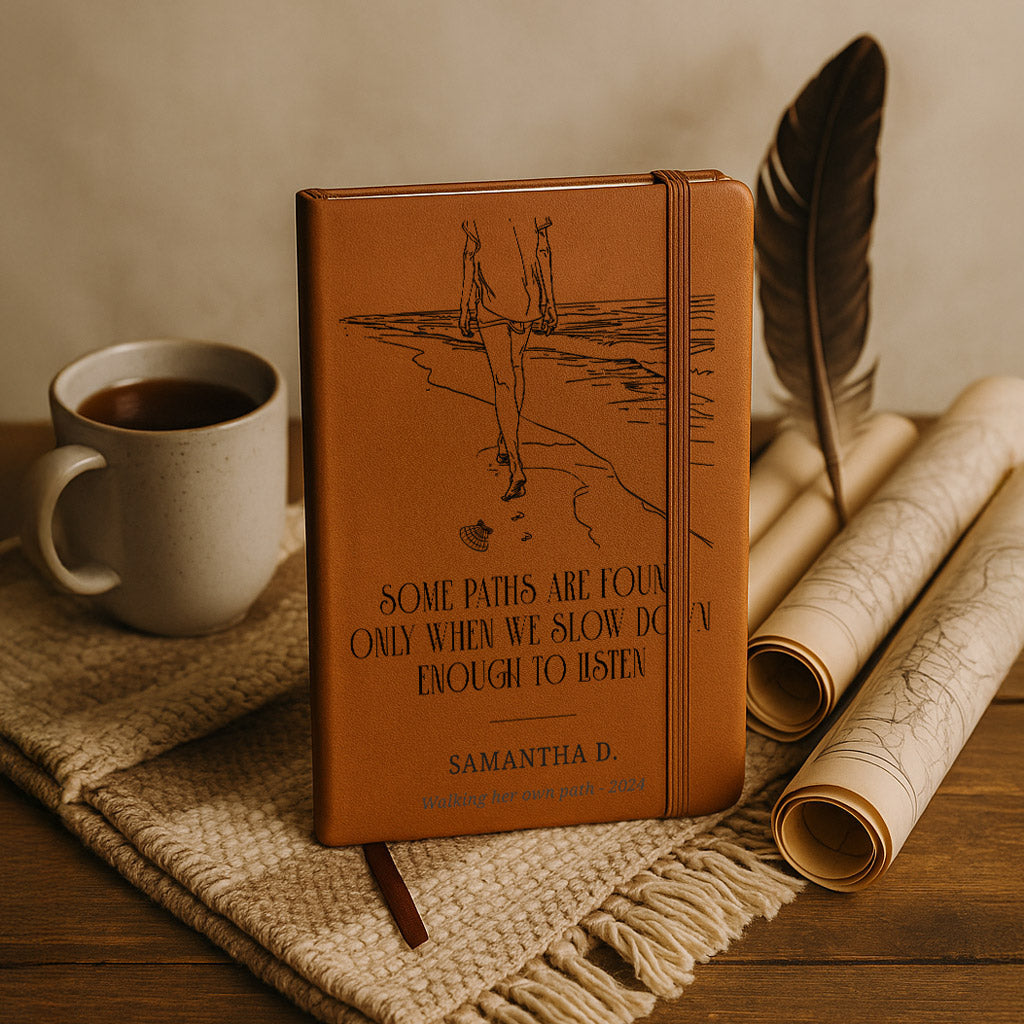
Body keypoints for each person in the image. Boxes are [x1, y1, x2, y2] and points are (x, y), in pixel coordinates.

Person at [459, 211, 557, 501]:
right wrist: (549, 302)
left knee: (504, 380)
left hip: (492, 300)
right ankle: (510, 452)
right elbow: (543, 251)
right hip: (526, 300)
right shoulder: (533, 200)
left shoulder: (476, 204)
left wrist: (465, 305)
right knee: (515, 370)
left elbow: (469, 256)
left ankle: (514, 462)